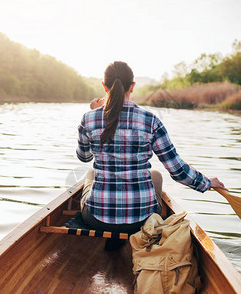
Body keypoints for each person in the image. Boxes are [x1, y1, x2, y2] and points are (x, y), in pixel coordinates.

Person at [76, 61, 226, 249]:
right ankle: (130, 240)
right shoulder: (151, 120)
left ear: (104, 87)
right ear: (132, 86)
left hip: (97, 218)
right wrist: (206, 182)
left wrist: (94, 114)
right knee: (156, 175)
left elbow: (84, 157)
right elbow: (178, 170)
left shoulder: (88, 118)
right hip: (142, 219)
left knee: (91, 173)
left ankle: (113, 240)